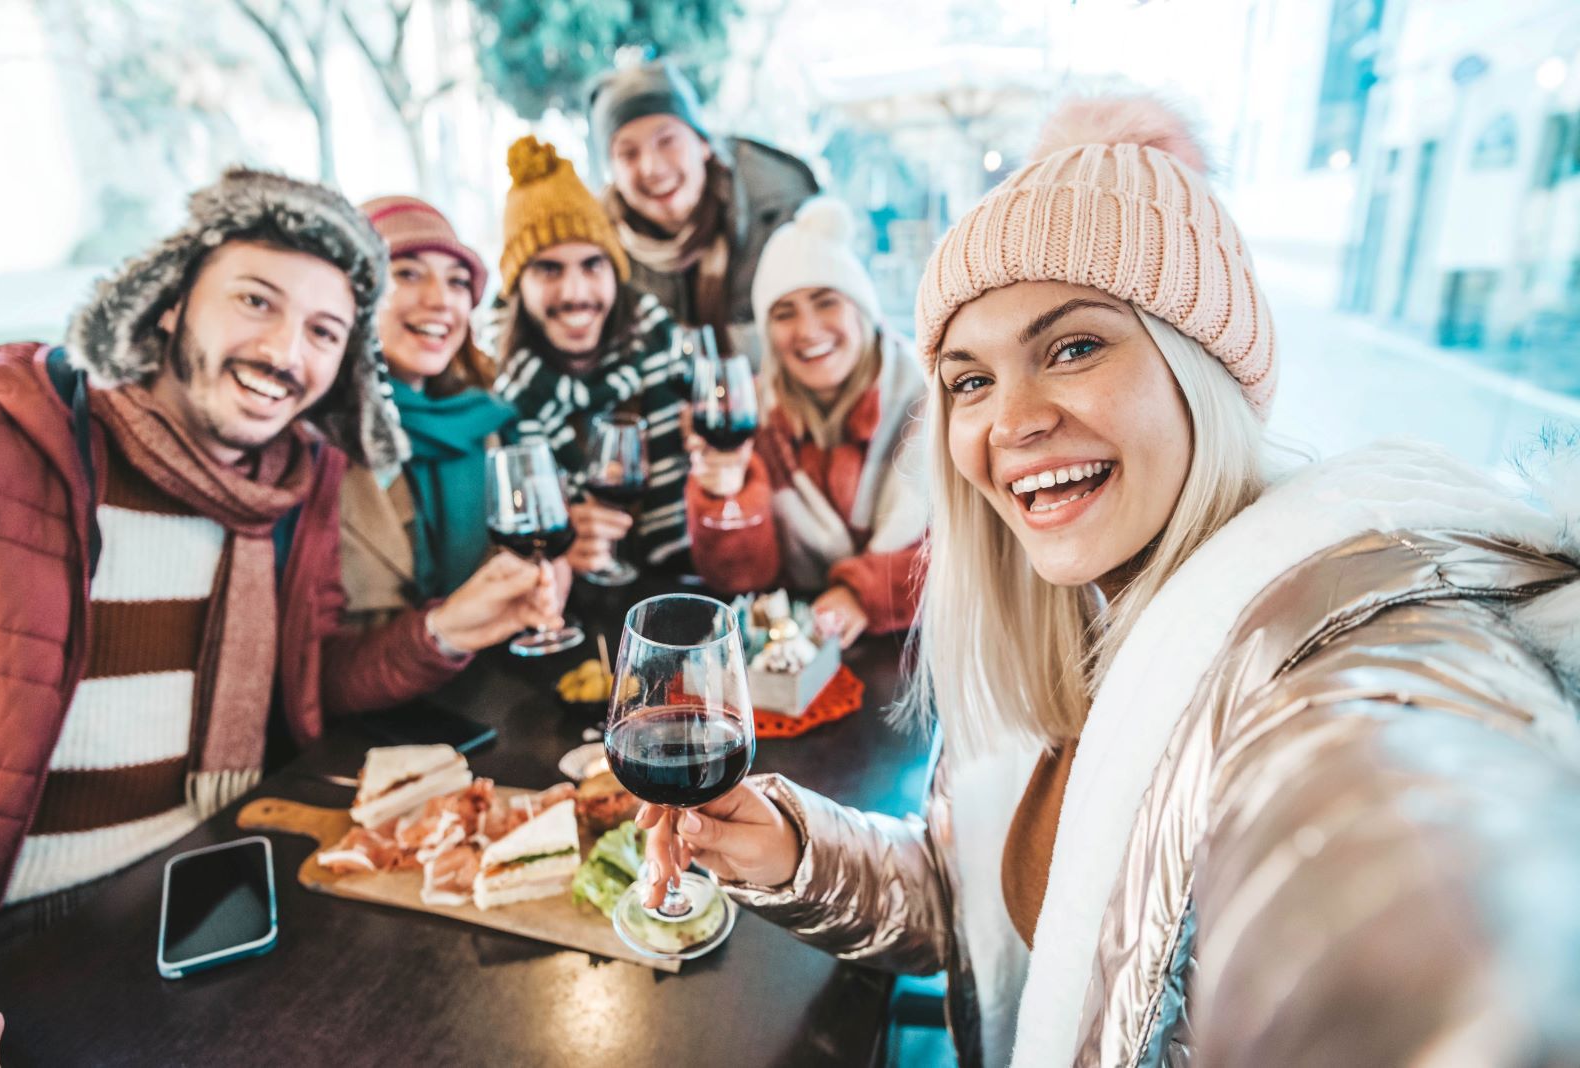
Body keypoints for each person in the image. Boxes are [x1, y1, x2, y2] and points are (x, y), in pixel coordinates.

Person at [640, 97, 1580, 1066]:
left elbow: (1421, 843)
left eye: (1073, 347)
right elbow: (990, 918)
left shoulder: (1343, 631)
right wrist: (794, 851)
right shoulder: (1070, 618)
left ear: (1201, 361)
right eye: (969, 379)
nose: (1012, 421)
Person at [0, 168, 564, 947]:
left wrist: (445, 629)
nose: (284, 351)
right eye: (256, 300)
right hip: (20, 925)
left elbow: (309, 684)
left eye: (323, 331)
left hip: (221, 874)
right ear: (172, 300)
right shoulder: (12, 440)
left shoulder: (295, 480)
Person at [685, 197, 924, 647]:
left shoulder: (930, 401)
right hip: (797, 651)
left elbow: (969, 556)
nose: (808, 329)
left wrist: (864, 592)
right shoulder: (752, 414)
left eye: (825, 302)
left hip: (916, 649)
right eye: (784, 313)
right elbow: (742, 580)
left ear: (861, 309)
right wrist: (727, 498)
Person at [493, 135, 692, 574]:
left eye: (592, 264)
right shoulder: (499, 405)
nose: (575, 293)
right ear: (516, 287)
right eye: (548, 269)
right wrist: (554, 558)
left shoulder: (673, 361)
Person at [340, 195, 542, 625]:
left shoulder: (486, 424)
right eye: (407, 274)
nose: (440, 300)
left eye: (457, 282)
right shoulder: (321, 439)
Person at [589, 59, 820, 360]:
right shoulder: (595, 248)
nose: (652, 168)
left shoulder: (781, 215)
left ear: (703, 144)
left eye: (667, 141)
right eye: (628, 153)